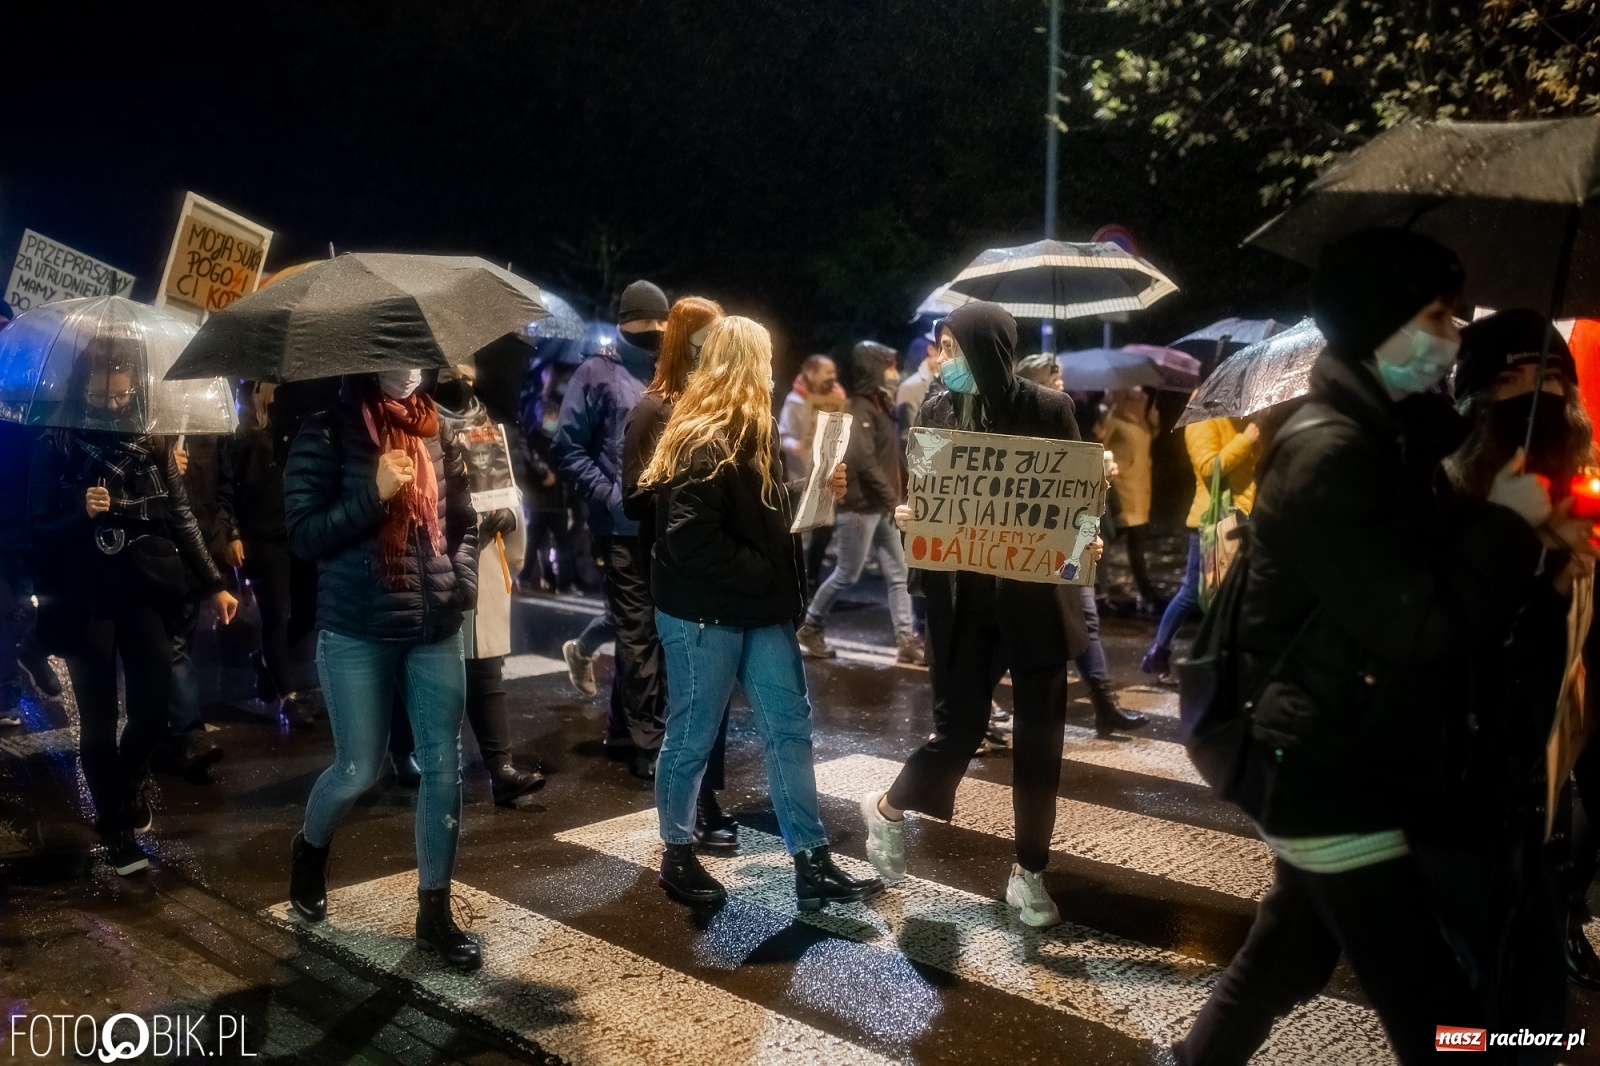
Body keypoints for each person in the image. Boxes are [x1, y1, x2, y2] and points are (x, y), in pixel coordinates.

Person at [1173, 230, 1568, 1066]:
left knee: (1286, 956)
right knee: (1443, 1023)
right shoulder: (1330, 451)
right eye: (1437, 316)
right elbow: (1416, 621)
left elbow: (1421, 558)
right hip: (1322, 765)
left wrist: (1510, 489)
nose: (1452, 335)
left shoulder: (1385, 437)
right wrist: (1506, 522)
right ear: (1381, 320)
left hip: (1348, 746)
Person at [640, 315, 882, 910]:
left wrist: (813, 492)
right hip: (705, 615)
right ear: (743, 363)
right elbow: (689, 539)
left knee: (789, 732)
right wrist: (764, 573)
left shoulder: (753, 429)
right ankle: (676, 854)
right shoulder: (703, 435)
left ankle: (812, 860)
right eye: (764, 359)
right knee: (691, 738)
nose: (771, 371)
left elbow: (757, 516)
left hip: (758, 611)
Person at [862, 301, 1092, 928]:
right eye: (941, 347)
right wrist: (914, 521)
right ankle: (888, 806)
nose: (943, 359)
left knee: (1039, 745)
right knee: (958, 732)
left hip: (1037, 602)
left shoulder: (1049, 410)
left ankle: (1031, 872)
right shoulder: (936, 410)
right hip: (962, 603)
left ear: (987, 349)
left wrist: (1083, 543)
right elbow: (927, 501)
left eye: (954, 347)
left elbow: (1078, 501)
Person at [283, 368, 482, 972]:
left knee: (442, 765)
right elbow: (303, 535)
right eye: (395, 352)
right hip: (356, 627)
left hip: (433, 625)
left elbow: (465, 520)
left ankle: (434, 913)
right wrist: (372, 495)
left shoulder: (438, 430)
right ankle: (310, 850)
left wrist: (462, 580)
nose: (410, 366)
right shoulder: (325, 430)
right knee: (357, 768)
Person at [29, 336, 237, 877]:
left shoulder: (155, 441)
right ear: (85, 386)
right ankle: (118, 827)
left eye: (123, 395)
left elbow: (182, 516)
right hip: (83, 595)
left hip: (145, 586)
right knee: (98, 720)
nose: (114, 403)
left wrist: (214, 583)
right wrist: (79, 510)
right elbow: (34, 528)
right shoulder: (57, 440)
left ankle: (129, 779)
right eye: (104, 394)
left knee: (150, 709)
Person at [1443, 308, 1594, 1033]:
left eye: (1553, 378)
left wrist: (1569, 575)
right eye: (1511, 380)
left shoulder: (1577, 503)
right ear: (1472, 400)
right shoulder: (1441, 506)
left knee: (1532, 1016)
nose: (1537, 396)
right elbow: (1442, 634)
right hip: (1460, 803)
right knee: (1467, 1009)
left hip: (1535, 806)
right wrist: (1520, 551)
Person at [622, 296, 740, 853]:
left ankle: (706, 798)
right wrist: (681, 496)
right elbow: (633, 498)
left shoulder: (715, 406)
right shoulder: (653, 410)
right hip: (674, 568)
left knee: (710, 693)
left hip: (715, 567)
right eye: (707, 338)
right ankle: (694, 809)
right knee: (690, 694)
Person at [554, 281, 670, 780]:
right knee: (640, 631)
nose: (657, 335)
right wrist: (607, 494)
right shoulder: (596, 372)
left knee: (645, 633)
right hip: (619, 526)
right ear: (626, 323)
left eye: (663, 326)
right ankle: (649, 741)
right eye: (648, 326)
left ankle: (626, 729)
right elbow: (569, 446)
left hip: (666, 524)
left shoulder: (671, 373)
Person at [435, 365, 547, 809]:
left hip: (481, 550)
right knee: (430, 663)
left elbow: (507, 488)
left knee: (485, 660)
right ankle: (413, 756)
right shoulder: (417, 420)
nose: (460, 371)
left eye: (467, 361)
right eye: (449, 362)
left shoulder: (488, 427)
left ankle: (500, 768)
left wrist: (508, 513)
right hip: (433, 553)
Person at [1017, 361, 1148, 738]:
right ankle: (986, 714)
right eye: (1053, 382)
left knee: (1086, 619)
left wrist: (1093, 522)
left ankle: (1105, 705)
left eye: (1061, 381)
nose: (1061, 387)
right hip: (1034, 548)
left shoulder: (1067, 423)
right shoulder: (1016, 434)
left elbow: (1081, 496)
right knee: (1030, 633)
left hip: (1073, 541)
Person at [796, 342, 925, 664]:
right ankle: (811, 625)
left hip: (879, 508)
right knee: (847, 575)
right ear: (873, 370)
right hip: (858, 508)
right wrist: (894, 500)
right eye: (889, 366)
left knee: (899, 573)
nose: (894, 373)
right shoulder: (859, 409)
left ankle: (906, 640)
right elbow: (863, 462)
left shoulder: (879, 406)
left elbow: (888, 458)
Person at [1140, 413, 1259, 685]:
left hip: (1241, 516)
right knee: (1195, 592)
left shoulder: (1239, 418)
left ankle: (1217, 663)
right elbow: (1209, 467)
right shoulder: (1204, 417)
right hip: (1215, 521)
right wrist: (1245, 439)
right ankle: (1165, 654)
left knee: (1227, 594)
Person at [0, 421, 60, 729]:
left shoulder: (34, 414)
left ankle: (33, 649)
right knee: (10, 610)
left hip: (34, 526)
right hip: (13, 527)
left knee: (41, 604)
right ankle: (6, 694)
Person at [778, 354, 845, 594]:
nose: (833, 377)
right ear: (810, 372)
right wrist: (795, 444)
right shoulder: (795, 401)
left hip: (825, 474)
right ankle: (797, 582)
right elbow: (783, 434)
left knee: (824, 530)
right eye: (827, 372)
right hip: (801, 475)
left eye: (834, 372)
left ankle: (813, 578)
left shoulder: (836, 399)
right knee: (801, 531)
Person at [1097, 387, 1163, 611]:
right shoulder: (1114, 420)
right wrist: (1105, 412)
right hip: (1123, 492)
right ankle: (1142, 594)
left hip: (1141, 493)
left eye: (1143, 397)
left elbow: (1143, 443)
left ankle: (1141, 593)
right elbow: (1099, 442)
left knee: (1132, 544)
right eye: (1136, 397)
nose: (1142, 401)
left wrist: (1153, 424)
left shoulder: (1141, 423)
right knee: (1118, 541)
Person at [895, 329, 947, 451]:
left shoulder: (951, 382)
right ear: (931, 349)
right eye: (947, 347)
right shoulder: (910, 387)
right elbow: (907, 438)